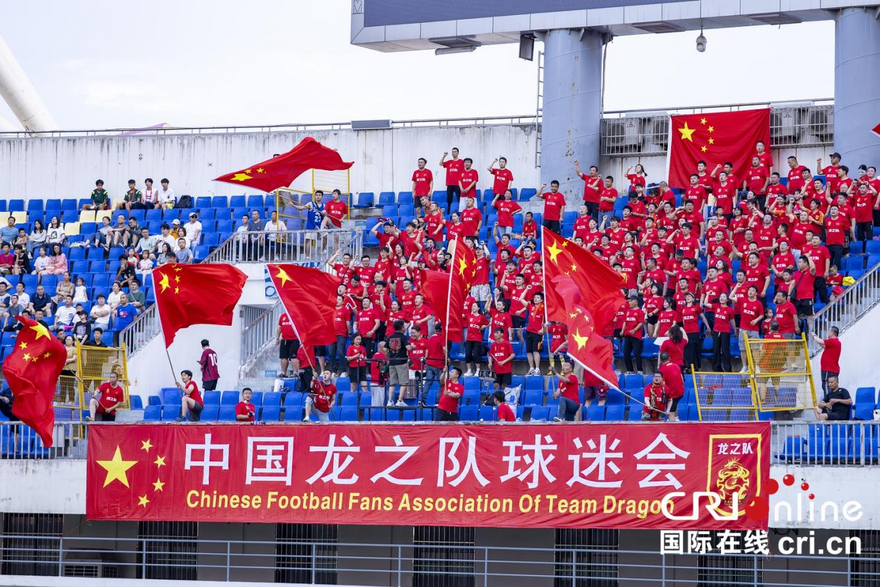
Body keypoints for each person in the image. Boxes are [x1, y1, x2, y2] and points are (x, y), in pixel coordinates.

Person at [385, 320, 411, 407]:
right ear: (402, 328)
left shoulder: (390, 337)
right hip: (401, 362)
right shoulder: (403, 337)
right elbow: (409, 348)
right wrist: (413, 347)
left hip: (392, 362)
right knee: (404, 382)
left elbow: (385, 349)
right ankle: (399, 400)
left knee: (392, 383)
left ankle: (389, 401)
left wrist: (388, 358)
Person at [812, 327, 842, 394]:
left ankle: (829, 402)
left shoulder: (833, 341)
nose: (828, 332)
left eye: (829, 331)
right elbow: (823, 345)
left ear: (833, 332)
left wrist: (813, 335)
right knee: (829, 387)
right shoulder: (834, 342)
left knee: (827, 386)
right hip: (830, 369)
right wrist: (816, 337)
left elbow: (820, 341)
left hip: (829, 369)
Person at [659, 351, 684, 421]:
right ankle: (676, 418)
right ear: (669, 358)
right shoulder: (676, 366)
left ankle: (672, 421)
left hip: (672, 393)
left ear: (661, 360)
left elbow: (662, 383)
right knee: (675, 404)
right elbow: (682, 378)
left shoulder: (662, 369)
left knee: (671, 410)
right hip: (680, 391)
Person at [488, 328, 514, 392]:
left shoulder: (507, 343)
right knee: (495, 385)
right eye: (495, 333)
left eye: (497, 333)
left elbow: (512, 355)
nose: (495, 334)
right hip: (496, 370)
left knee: (504, 386)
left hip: (506, 370)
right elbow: (490, 355)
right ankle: (496, 400)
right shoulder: (493, 344)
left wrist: (503, 362)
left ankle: (503, 400)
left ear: (502, 334)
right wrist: (490, 363)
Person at [440, 148, 465, 213]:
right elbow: (440, 163)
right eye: (452, 152)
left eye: (455, 152)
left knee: (460, 199)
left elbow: (464, 172)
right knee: (449, 200)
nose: (453, 153)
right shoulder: (449, 162)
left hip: (457, 184)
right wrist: (444, 156)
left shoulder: (461, 162)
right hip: (449, 184)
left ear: (458, 153)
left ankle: (461, 212)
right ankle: (448, 212)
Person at [276, 312, 300, 377]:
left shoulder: (297, 315)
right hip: (285, 340)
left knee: (294, 356)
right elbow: (279, 327)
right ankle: (283, 373)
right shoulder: (283, 316)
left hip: (295, 339)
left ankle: (295, 372)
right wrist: (277, 338)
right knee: (283, 357)